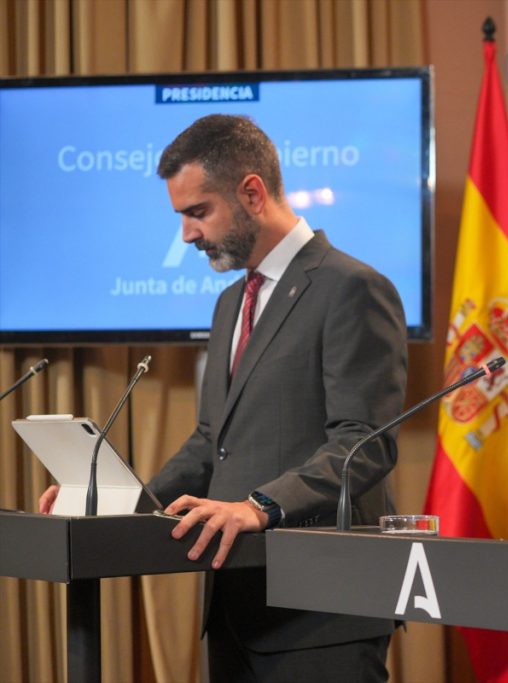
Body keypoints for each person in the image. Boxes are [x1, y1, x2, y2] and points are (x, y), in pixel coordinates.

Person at [41, 114, 407, 682]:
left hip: (324, 615)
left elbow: (364, 443)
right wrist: (120, 504)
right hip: (237, 609)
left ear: (252, 193)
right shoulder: (230, 303)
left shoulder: (352, 288)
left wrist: (259, 506)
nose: (187, 234)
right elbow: (213, 442)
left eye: (197, 212)